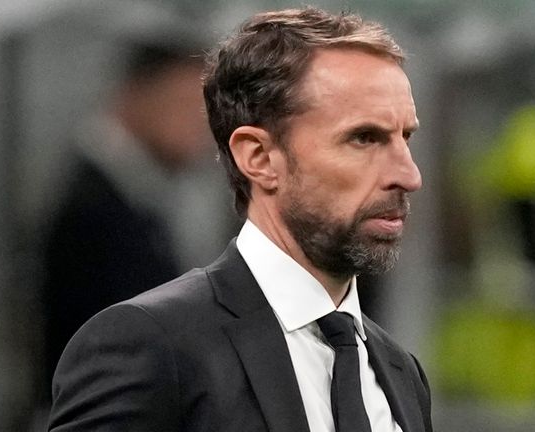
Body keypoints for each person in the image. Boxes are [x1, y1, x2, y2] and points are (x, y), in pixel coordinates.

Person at [48, 7, 432, 432]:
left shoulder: (401, 374)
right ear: (259, 157)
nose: (409, 175)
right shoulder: (150, 345)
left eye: (405, 137)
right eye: (363, 138)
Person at [41, 38, 224, 395]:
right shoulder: (96, 204)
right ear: (135, 95)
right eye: (186, 107)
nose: (202, 132)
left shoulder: (133, 191)